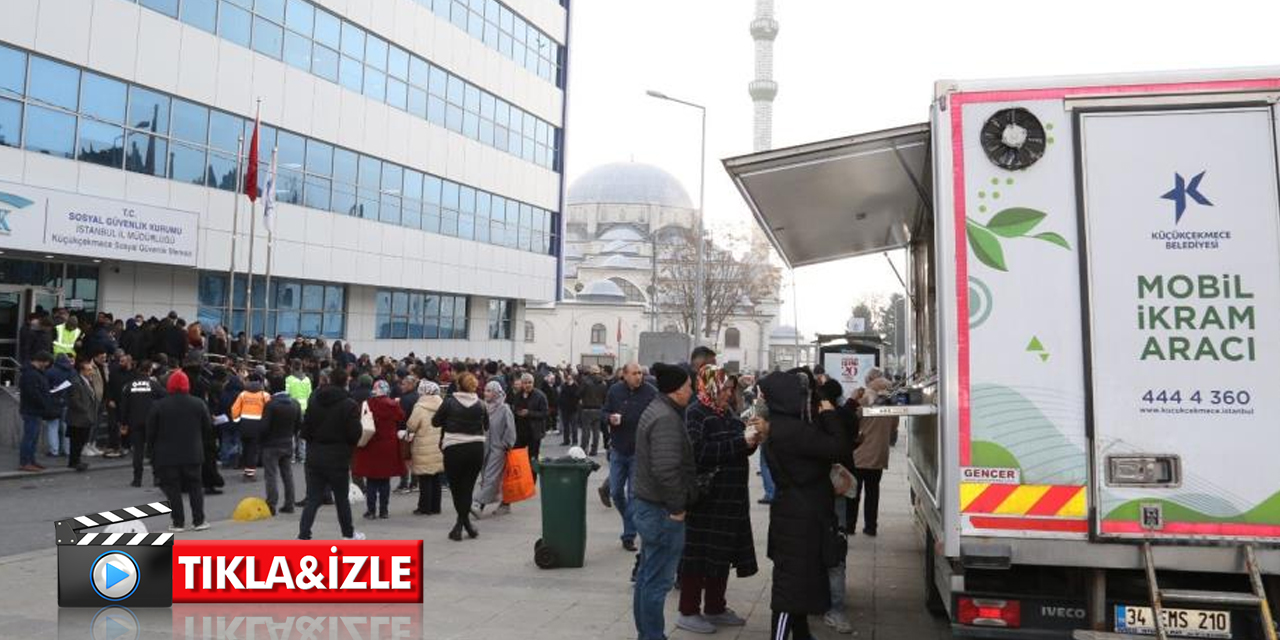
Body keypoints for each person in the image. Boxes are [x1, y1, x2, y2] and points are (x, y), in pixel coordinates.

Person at [757, 370, 854, 640]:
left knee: (800, 580)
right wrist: (828, 412)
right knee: (790, 588)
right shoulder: (794, 431)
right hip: (801, 519)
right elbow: (839, 447)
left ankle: (802, 634)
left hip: (794, 513)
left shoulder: (782, 425)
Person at [676, 366, 760, 633]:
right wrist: (739, 444)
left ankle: (715, 606)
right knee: (698, 556)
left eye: (730, 388)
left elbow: (739, 445)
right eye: (724, 388)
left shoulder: (726, 412)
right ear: (710, 386)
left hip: (731, 498)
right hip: (707, 500)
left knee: (721, 555)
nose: (729, 393)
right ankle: (688, 611)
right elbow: (698, 453)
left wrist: (751, 440)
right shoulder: (697, 413)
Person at [632, 363, 697, 640]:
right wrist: (678, 509)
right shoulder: (667, 419)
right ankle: (652, 636)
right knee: (657, 582)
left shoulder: (658, 409)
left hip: (652, 506)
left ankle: (647, 634)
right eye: (689, 386)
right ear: (677, 390)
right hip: (661, 511)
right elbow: (665, 469)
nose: (692, 391)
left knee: (647, 578)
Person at [298, 368, 365, 541]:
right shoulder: (349, 404)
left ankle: (304, 534)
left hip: (315, 454)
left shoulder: (314, 401)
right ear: (346, 382)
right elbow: (355, 433)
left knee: (313, 497)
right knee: (341, 499)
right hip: (338, 456)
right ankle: (348, 534)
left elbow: (304, 430)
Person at [147, 369, 214, 532]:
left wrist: (151, 452)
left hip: (167, 455)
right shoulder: (198, 404)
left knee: (172, 489)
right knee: (195, 487)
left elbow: (151, 433)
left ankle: (178, 522)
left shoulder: (159, 405)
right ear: (186, 385)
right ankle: (199, 521)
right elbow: (208, 429)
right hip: (192, 453)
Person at [602, 362, 657, 552]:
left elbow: (657, 416)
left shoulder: (650, 392)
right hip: (618, 448)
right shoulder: (615, 390)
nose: (638, 377)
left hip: (639, 451)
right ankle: (630, 522)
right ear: (624, 375)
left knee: (633, 495)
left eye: (640, 373)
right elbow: (604, 412)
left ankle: (629, 535)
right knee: (616, 491)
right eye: (634, 373)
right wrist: (610, 418)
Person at [432, 371, 487, 541]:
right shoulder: (481, 404)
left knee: (456, 489)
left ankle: (459, 526)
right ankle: (467, 526)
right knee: (468, 488)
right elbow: (487, 425)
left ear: (458, 385)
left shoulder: (449, 403)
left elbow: (435, 422)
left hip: (454, 448)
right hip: (476, 448)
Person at [852, 376, 897, 537]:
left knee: (854, 493)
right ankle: (871, 527)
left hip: (859, 454)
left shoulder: (863, 401)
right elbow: (893, 429)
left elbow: (852, 421)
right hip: (878, 455)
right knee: (873, 493)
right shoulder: (891, 406)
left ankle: (850, 526)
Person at [354, 380, 405, 520]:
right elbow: (401, 417)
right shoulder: (393, 404)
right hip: (388, 445)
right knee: (384, 480)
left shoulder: (369, 403)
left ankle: (371, 511)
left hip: (372, 444)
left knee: (371, 480)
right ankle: (384, 510)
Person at [473, 379, 517, 518]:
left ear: (497, 392)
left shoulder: (504, 409)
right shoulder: (483, 408)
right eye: (485, 390)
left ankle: (477, 504)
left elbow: (511, 430)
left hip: (498, 449)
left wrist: (506, 445)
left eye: (489, 391)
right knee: (488, 477)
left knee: (491, 478)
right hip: (484, 448)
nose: (486, 393)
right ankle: (505, 503)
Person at [260, 374, 302, 515]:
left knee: (271, 475)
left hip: (271, 444)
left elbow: (264, 427)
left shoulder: (271, 405)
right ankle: (289, 504)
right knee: (287, 474)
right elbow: (298, 425)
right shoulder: (294, 403)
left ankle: (271, 504)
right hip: (287, 442)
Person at [119, 360, 165, 487]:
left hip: (134, 422)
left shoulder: (129, 385)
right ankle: (157, 477)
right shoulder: (154, 385)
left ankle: (137, 479)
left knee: (138, 451)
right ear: (150, 370)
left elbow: (124, 406)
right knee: (154, 450)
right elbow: (165, 399)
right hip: (152, 421)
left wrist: (123, 423)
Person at [406, 380, 445, 516]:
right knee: (436, 478)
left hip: (423, 446)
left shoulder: (420, 407)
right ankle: (436, 507)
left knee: (425, 478)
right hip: (439, 445)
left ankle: (424, 507)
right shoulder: (442, 404)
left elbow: (411, 425)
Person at [17, 352, 58, 472]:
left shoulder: (36, 373)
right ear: (41, 361)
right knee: (29, 437)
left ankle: (31, 460)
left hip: (36, 409)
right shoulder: (30, 374)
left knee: (33, 438)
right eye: (46, 363)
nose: (47, 366)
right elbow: (32, 393)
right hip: (31, 410)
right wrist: (44, 402)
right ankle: (25, 462)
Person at [231, 374, 271, 481]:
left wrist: (237, 421)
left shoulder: (243, 394)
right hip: (257, 426)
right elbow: (270, 410)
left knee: (246, 447)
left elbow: (234, 409)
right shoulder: (264, 395)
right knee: (253, 450)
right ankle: (249, 474)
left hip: (244, 425)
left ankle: (246, 469)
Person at [65, 358, 101, 472]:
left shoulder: (87, 381)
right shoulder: (76, 382)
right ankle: (74, 462)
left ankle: (77, 460)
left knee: (81, 441)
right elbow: (74, 400)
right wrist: (85, 410)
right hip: (78, 418)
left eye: (91, 370)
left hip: (85, 417)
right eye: (89, 370)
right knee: (76, 441)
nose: (91, 372)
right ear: (82, 371)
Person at [511, 372, 548, 480]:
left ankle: (532, 480)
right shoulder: (518, 395)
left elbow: (545, 413)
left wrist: (529, 413)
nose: (528, 385)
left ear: (533, 383)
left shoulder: (540, 395)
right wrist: (516, 412)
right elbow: (515, 408)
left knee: (533, 457)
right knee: (517, 456)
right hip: (520, 431)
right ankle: (520, 478)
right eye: (525, 383)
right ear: (521, 384)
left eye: (530, 382)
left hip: (534, 432)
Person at [579, 366, 607, 457]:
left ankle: (584, 449)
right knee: (596, 431)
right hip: (598, 409)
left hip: (587, 408)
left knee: (586, 431)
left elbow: (579, 393)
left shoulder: (586, 381)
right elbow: (604, 397)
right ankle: (594, 450)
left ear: (590, 371)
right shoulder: (603, 383)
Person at [558, 369, 581, 446]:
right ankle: (566, 440)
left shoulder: (576, 386)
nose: (568, 380)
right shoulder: (564, 386)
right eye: (568, 379)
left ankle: (575, 441)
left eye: (570, 379)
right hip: (564, 409)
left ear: (573, 379)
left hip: (573, 409)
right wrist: (560, 406)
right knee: (566, 426)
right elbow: (561, 397)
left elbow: (577, 397)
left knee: (574, 426)